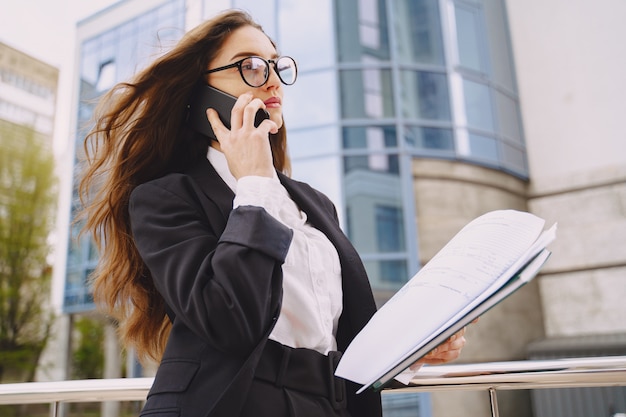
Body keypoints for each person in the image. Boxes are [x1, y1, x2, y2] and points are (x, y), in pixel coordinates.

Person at [79, 9, 467, 417]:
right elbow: (229, 320)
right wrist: (256, 185)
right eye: (250, 66)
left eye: (276, 65)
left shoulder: (314, 202)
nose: (273, 79)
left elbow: (332, 335)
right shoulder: (165, 198)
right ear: (201, 92)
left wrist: (414, 348)